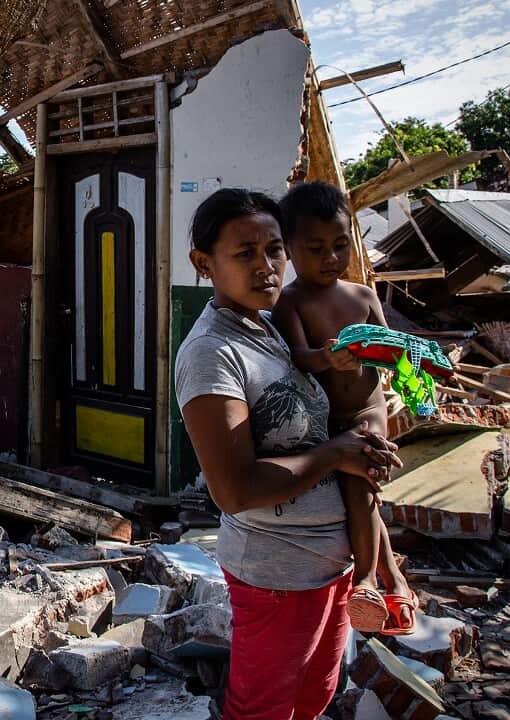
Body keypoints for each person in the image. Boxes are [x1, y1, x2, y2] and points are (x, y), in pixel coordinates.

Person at [175, 188, 402, 720]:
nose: (266, 266)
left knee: (312, 697)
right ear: (203, 264)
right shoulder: (213, 352)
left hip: (329, 567)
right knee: (263, 710)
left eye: (274, 249)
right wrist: (336, 455)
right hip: (277, 576)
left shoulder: (270, 327)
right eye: (245, 253)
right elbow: (234, 491)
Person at [271, 181, 416, 635]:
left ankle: (367, 581)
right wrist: (328, 357)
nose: (331, 257)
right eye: (315, 248)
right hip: (324, 421)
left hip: (368, 413)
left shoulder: (364, 296)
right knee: (363, 501)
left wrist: (418, 379)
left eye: (340, 245)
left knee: (360, 492)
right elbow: (298, 356)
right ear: (290, 249)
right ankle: (395, 582)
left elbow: (395, 352)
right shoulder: (290, 301)